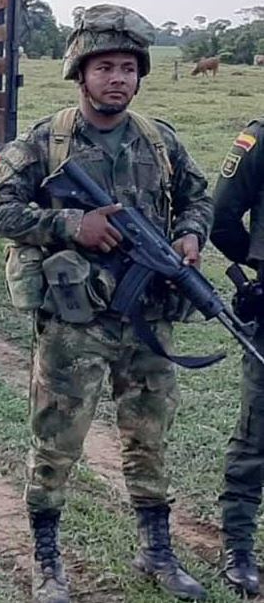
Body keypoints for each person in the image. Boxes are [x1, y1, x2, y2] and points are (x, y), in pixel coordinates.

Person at [0, 4, 213, 603]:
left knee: (150, 439)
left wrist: (191, 234)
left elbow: (197, 197)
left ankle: (156, 552)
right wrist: (71, 224)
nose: (118, 78)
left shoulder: (160, 141)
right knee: (56, 442)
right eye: (105, 67)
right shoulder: (44, 141)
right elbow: (0, 212)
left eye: (129, 68)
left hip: (149, 324)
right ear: (79, 72)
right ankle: (48, 562)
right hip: (74, 323)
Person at [211, 117, 264, 597]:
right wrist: (257, 266)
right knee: (257, 433)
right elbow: (221, 217)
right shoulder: (261, 136)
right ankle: (239, 544)